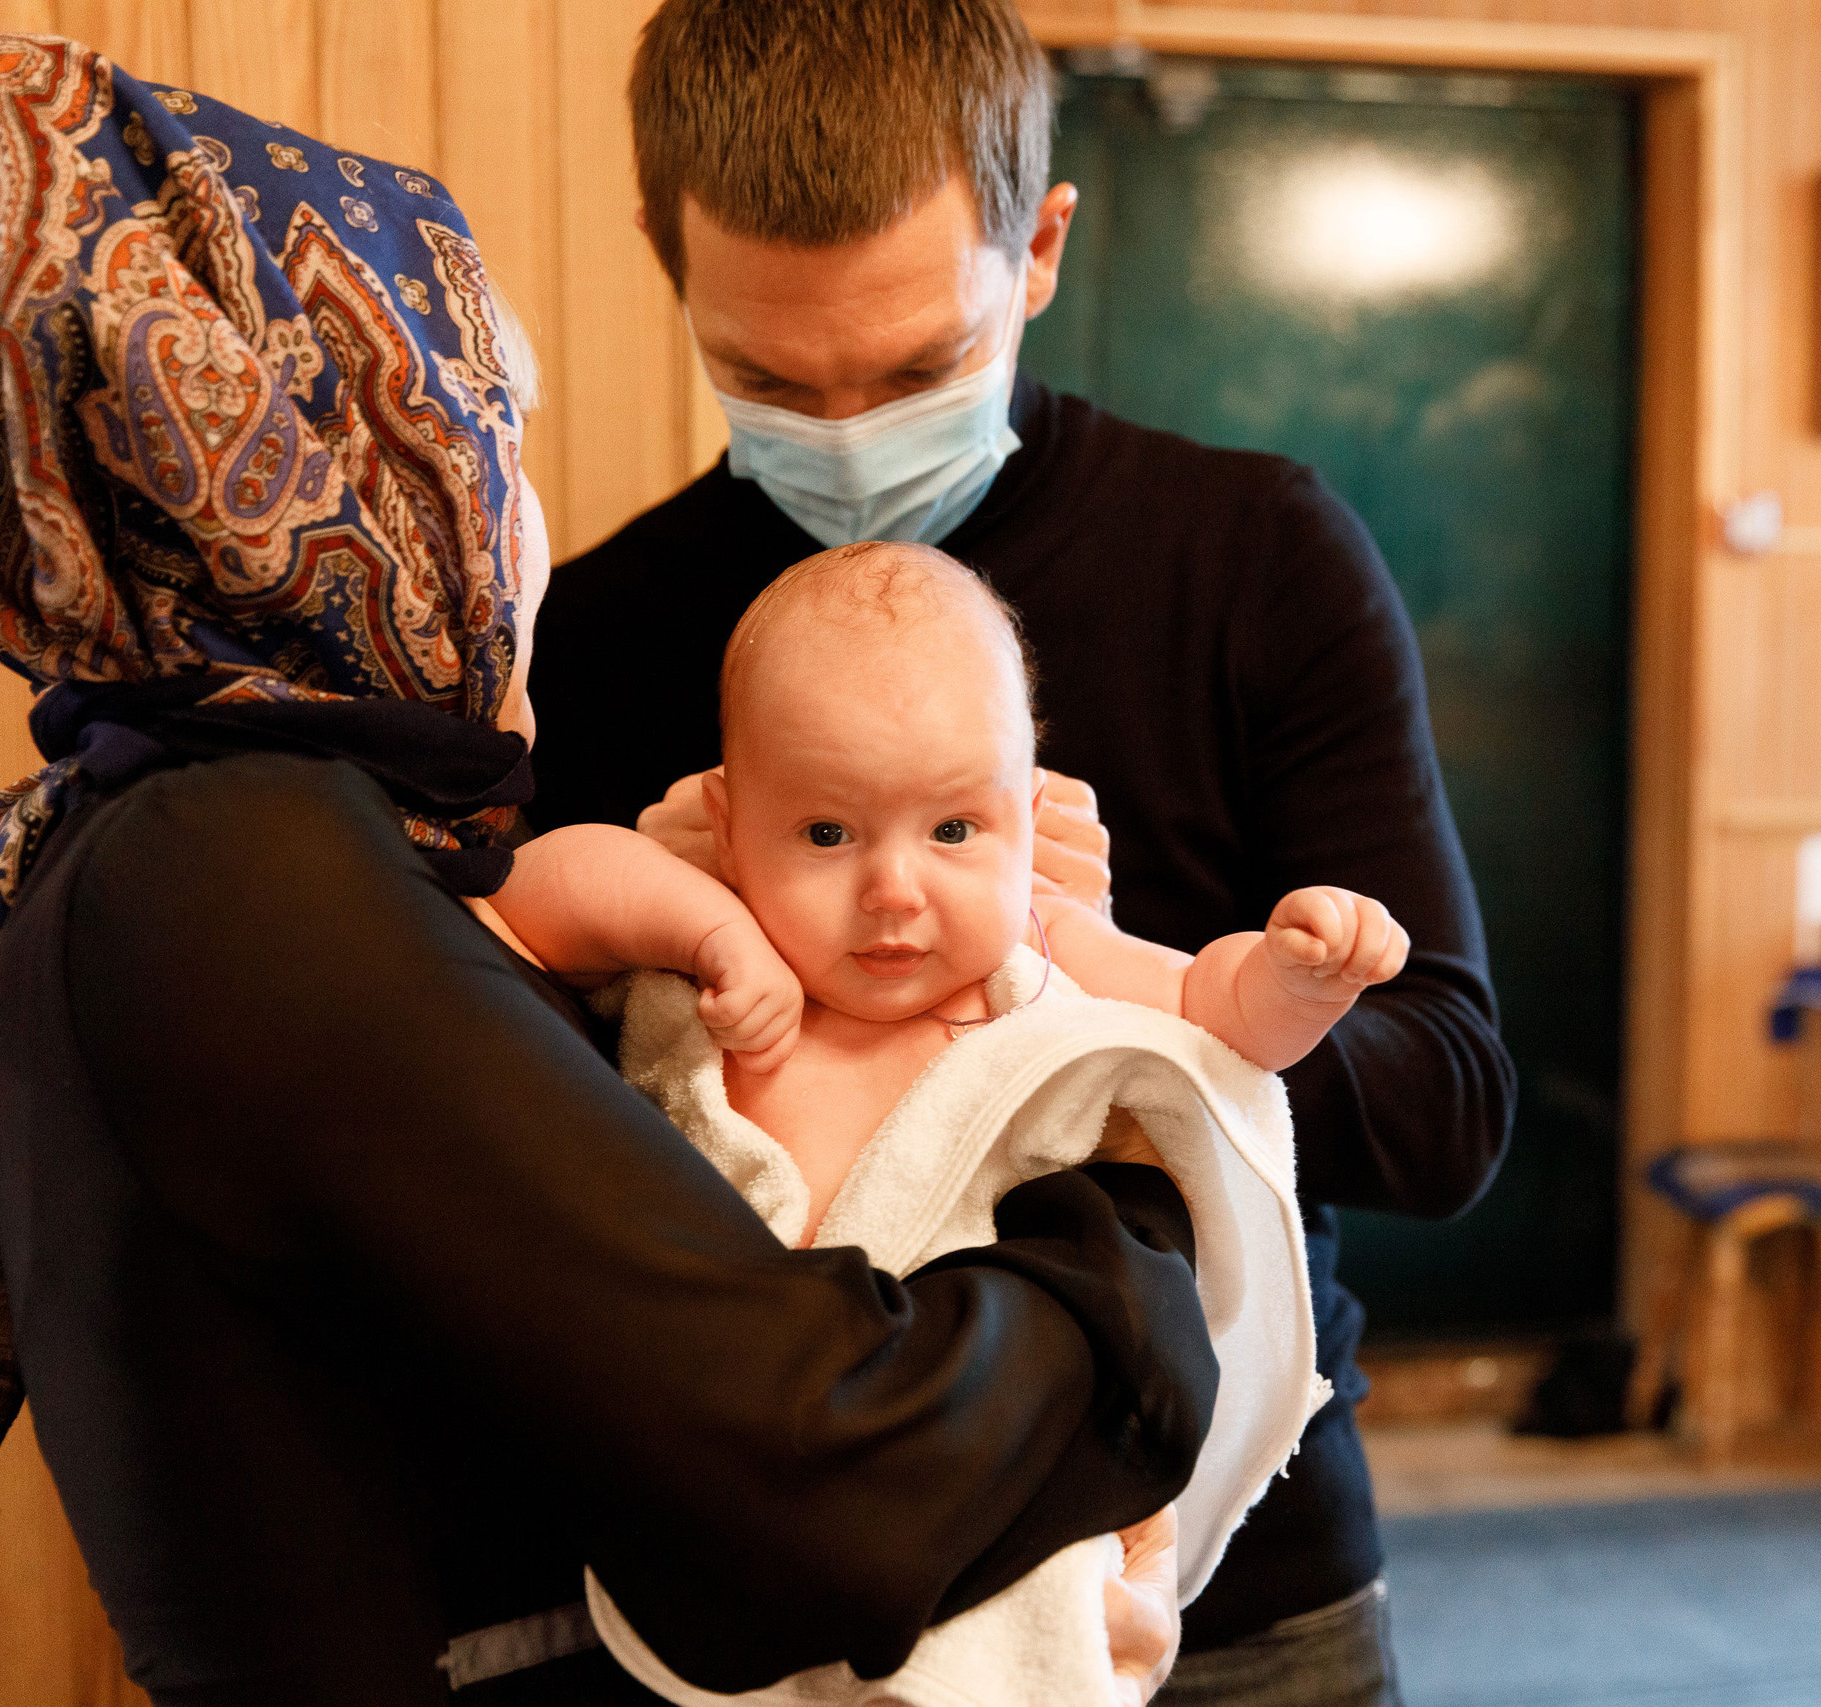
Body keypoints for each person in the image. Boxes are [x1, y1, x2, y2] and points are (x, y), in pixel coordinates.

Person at [0, 36, 1215, 1707]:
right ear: (369, 463)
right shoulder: (239, 870)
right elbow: (822, 1487)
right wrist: (1132, 1250)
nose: (518, 501)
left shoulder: (257, 834)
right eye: (491, 424)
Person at [528, 5, 1520, 1701]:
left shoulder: (1257, 560)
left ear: (1041, 246)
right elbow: (541, 1123)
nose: (843, 433)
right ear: (665, 256)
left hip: (1229, 1591)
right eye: (766, 378)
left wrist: (1131, 986)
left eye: (917, 367)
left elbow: (1445, 1105)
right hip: (784, 1568)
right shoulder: (608, 628)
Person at [496, 539, 1391, 1702]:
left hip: (994, 1456)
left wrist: (1296, 977)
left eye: (955, 831)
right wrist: (701, 924)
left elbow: (1206, 1017)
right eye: (825, 834)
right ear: (726, 816)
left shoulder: (1038, 942)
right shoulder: (713, 922)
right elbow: (526, 896)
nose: (894, 892)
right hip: (758, 1457)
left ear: (1029, 816)